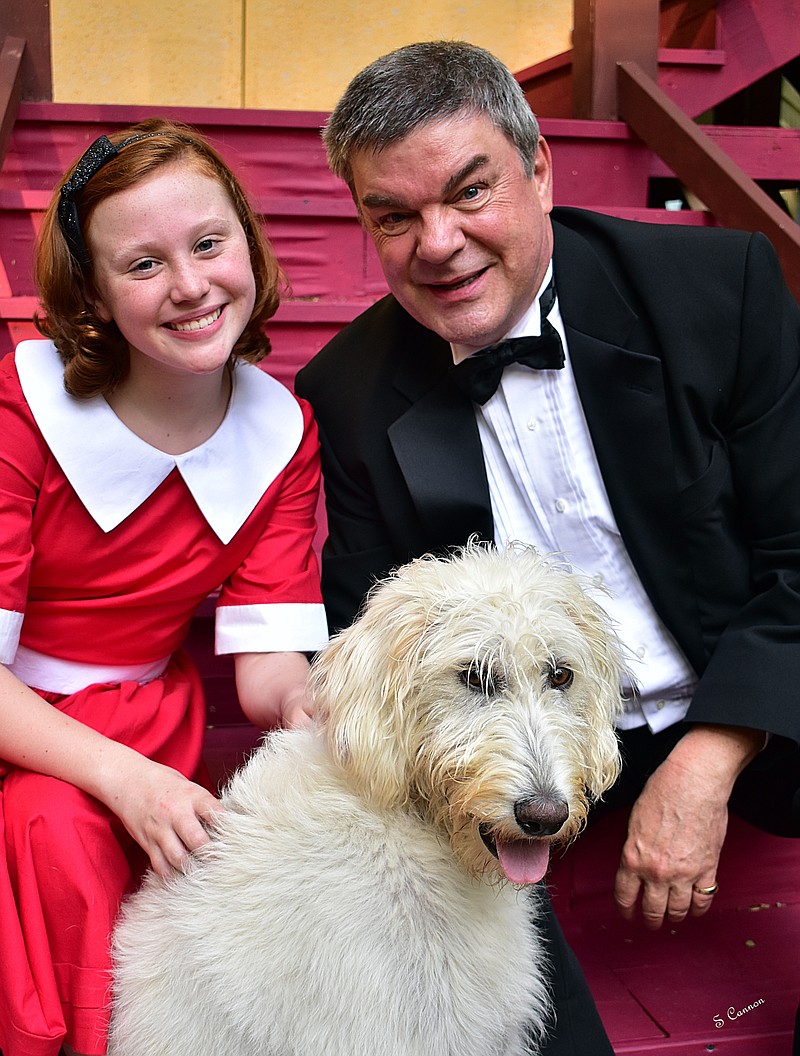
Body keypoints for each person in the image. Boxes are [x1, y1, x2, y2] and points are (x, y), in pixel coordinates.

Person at [296, 39, 800, 1055]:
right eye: (392, 215)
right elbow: (366, 631)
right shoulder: (348, 389)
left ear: (538, 170)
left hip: (728, 694)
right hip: (518, 738)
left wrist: (709, 756)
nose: (435, 243)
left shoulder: (715, 286)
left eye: (467, 191)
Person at [0, 119, 328, 1056]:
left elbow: (267, 662)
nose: (189, 286)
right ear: (95, 295)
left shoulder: (283, 433)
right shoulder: (24, 411)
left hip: (149, 719)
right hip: (22, 720)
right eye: (141, 265)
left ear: (250, 250)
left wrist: (316, 711)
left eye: (209, 243)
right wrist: (127, 781)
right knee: (52, 827)